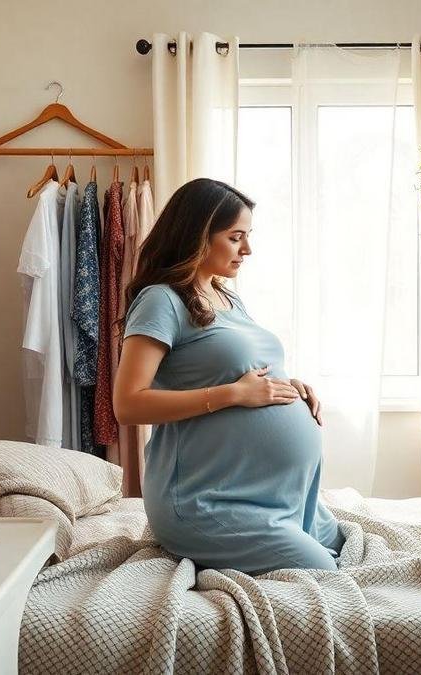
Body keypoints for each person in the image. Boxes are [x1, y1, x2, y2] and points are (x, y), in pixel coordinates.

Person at [113, 177, 344, 575]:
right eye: (236, 237)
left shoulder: (227, 296)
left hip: (270, 497)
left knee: (348, 550)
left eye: (248, 236)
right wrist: (233, 395)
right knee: (322, 573)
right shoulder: (161, 300)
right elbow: (128, 404)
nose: (248, 250)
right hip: (203, 501)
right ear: (199, 235)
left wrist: (288, 386)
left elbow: (242, 369)